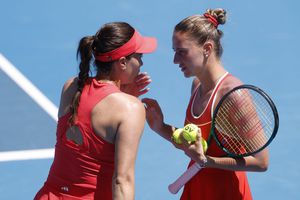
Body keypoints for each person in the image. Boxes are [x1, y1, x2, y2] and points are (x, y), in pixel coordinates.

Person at [142, 8, 268, 200]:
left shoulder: (235, 95)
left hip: (228, 194)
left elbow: (261, 162)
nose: (175, 60)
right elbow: (193, 145)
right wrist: (160, 127)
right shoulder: (196, 85)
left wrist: (207, 161)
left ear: (207, 49)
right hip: (196, 190)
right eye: (175, 52)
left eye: (182, 52)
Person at [34, 22, 157, 200]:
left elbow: (92, 111)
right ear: (123, 62)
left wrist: (122, 94)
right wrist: (127, 99)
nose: (142, 63)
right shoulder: (130, 108)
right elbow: (122, 181)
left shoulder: (71, 87)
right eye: (139, 56)